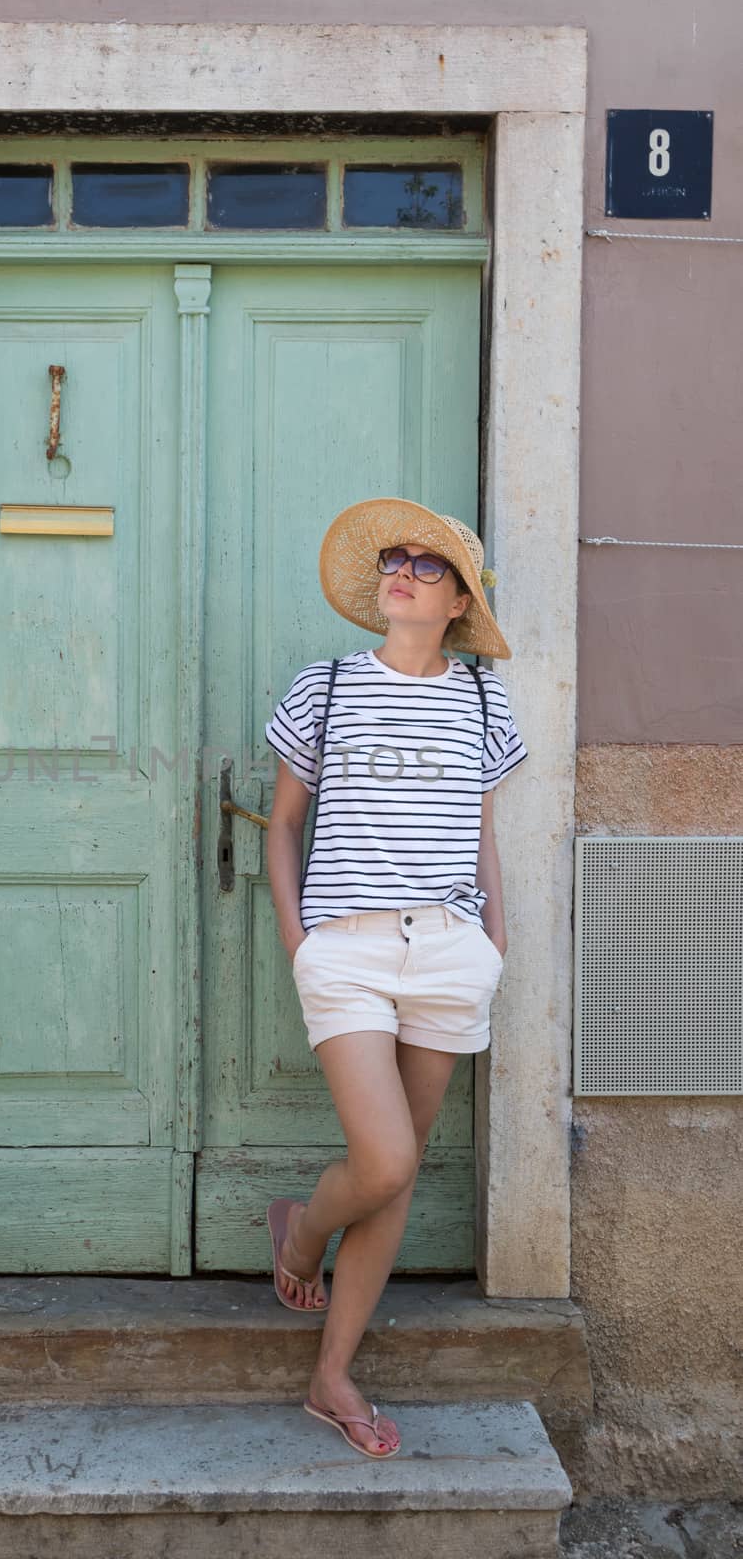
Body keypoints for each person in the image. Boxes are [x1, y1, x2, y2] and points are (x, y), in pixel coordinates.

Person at [262, 497, 529, 1461]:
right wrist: (302, 938)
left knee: (399, 1174)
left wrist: (492, 940)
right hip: (348, 948)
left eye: (426, 565)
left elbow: (482, 834)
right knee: (380, 1163)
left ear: (458, 600)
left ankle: (331, 1376)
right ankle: (298, 1239)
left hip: (451, 951)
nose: (402, 573)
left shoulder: (485, 700)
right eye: (394, 559)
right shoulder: (324, 687)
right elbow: (282, 824)